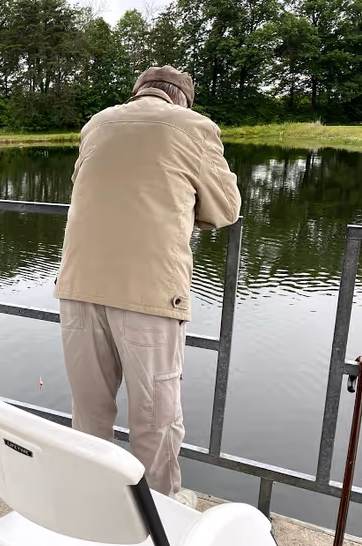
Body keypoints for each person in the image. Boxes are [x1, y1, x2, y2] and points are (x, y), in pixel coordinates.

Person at [55, 66, 241, 505]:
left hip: (79, 287)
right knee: (155, 421)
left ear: (137, 94)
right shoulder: (195, 128)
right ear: (181, 100)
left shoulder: (96, 124)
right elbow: (226, 209)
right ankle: (157, 515)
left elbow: (86, 188)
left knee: (90, 415)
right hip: (150, 295)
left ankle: (92, 503)